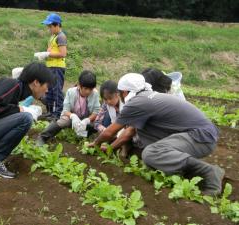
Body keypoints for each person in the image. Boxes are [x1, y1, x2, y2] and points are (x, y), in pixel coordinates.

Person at [89, 73, 224, 196]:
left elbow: (111, 132)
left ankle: (210, 173)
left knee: (151, 154)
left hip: (201, 136)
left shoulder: (137, 103)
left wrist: (96, 143)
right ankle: (179, 168)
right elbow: (132, 130)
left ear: (124, 92)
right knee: (146, 135)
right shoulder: (147, 96)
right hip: (197, 133)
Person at [36, 70, 100, 146]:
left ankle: (83, 135)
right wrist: (73, 116)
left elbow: (96, 111)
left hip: (86, 118)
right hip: (72, 117)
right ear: (79, 85)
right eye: (86, 88)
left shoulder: (95, 93)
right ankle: (43, 137)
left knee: (96, 125)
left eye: (91, 89)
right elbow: (66, 110)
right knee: (63, 121)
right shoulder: (71, 92)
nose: (88, 91)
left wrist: (87, 120)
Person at [34, 13, 67, 120]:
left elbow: (63, 54)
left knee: (57, 90)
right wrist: (44, 54)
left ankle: (57, 114)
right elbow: (51, 50)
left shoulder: (61, 36)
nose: (49, 29)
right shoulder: (53, 36)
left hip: (57, 68)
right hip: (50, 67)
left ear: (57, 25)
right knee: (49, 90)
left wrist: (47, 54)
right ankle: (50, 112)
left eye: (50, 26)